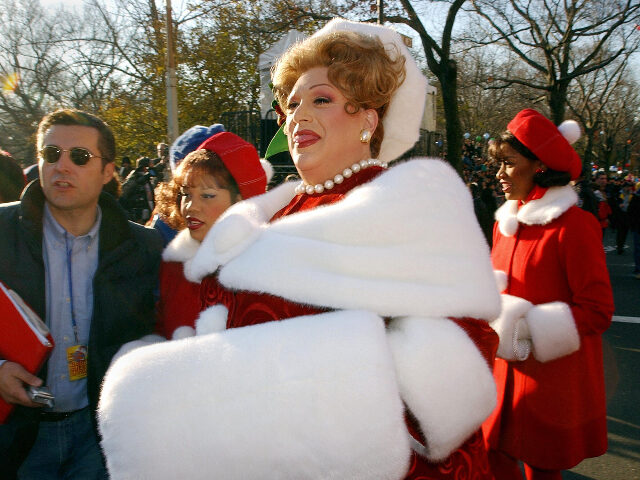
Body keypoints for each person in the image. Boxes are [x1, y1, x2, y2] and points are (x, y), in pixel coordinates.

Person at [98, 19, 501, 480]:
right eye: (290, 105)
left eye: (321, 100)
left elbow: (460, 364)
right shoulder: (273, 213)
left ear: (368, 118)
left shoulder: (410, 207)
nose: (297, 117)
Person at [0, 109, 163, 479]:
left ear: (108, 171)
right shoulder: (1, 231)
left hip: (99, 436)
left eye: (80, 157)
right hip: (16, 436)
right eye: (51, 154)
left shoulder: (144, 248)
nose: (62, 166)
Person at [483, 109, 614, 480]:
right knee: (493, 459)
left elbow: (597, 310)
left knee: (541, 470)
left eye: (508, 163)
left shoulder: (575, 226)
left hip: (548, 379)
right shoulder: (503, 224)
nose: (499, 174)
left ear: (538, 165)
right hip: (500, 369)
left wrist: (527, 329)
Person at [154, 131, 269, 339]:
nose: (191, 206)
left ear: (243, 201)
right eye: (186, 194)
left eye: (207, 195)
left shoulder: (268, 271)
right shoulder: (173, 269)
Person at [119, 156, 155, 223]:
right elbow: (124, 191)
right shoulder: (135, 178)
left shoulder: (147, 179)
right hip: (138, 215)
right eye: (149, 165)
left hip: (149, 212)